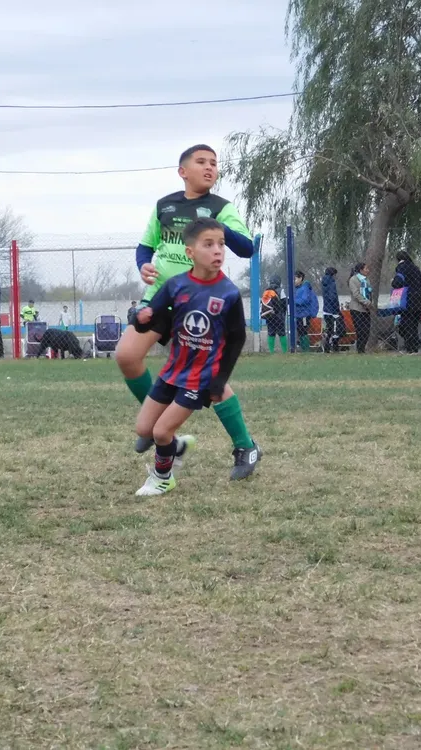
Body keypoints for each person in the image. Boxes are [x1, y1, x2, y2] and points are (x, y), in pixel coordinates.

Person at [117, 144, 259, 480]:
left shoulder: (220, 208)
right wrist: (144, 266)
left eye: (214, 163)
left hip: (201, 303)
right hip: (162, 296)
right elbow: (145, 246)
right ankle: (160, 428)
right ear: (183, 171)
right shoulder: (164, 205)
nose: (210, 167)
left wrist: (215, 227)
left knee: (207, 378)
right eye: (201, 162)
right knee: (126, 355)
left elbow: (247, 247)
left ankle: (246, 445)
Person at [131, 217, 254, 494]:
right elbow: (153, 320)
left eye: (221, 244)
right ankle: (179, 447)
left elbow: (237, 339)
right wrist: (141, 318)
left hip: (200, 378)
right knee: (145, 429)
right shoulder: (176, 285)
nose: (218, 251)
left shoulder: (229, 293)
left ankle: (163, 478)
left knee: (162, 432)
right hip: (172, 371)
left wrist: (220, 379)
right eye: (208, 244)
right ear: (190, 253)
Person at [392, 251, 421, 354]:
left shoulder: (401, 267)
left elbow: (398, 282)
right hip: (418, 300)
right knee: (414, 325)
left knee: (406, 325)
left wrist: (393, 282)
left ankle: (409, 348)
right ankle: (414, 348)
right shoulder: (416, 268)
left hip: (407, 301)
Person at [347, 262, 373, 353]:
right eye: (366, 269)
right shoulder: (353, 280)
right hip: (356, 309)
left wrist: (369, 302)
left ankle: (362, 349)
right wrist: (366, 302)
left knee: (366, 330)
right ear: (361, 270)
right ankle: (360, 350)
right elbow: (356, 294)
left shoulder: (367, 280)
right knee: (360, 330)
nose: (368, 270)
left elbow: (369, 292)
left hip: (366, 309)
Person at [261, 276, 288, 353]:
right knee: (282, 333)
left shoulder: (266, 291)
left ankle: (271, 351)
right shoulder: (281, 290)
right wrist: (283, 312)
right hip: (279, 316)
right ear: (279, 282)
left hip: (269, 316)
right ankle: (284, 351)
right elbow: (284, 303)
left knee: (271, 333)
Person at [293, 270, 319, 351]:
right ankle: (303, 348)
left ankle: (306, 349)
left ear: (300, 278)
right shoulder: (298, 289)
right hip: (299, 314)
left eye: (295, 279)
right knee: (301, 332)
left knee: (303, 331)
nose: (294, 281)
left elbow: (304, 300)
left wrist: (293, 301)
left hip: (304, 314)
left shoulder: (304, 288)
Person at [321, 267, 343, 352]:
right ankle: (335, 346)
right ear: (333, 274)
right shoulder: (332, 283)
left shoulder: (324, 283)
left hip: (326, 310)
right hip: (333, 310)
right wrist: (337, 309)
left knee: (329, 329)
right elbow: (333, 297)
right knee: (337, 329)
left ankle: (327, 347)